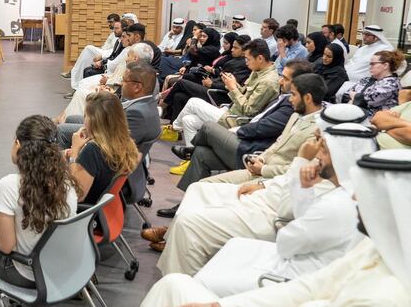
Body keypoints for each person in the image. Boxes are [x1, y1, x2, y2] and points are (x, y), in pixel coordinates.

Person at [138, 148, 411, 307]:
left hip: (281, 246)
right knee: (174, 285)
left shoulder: (389, 296)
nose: (354, 197)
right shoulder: (376, 247)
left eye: (363, 193)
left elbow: (288, 237)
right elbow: (311, 286)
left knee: (174, 286)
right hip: (286, 263)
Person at [151, 102, 367, 275]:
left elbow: (287, 210)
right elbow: (284, 177)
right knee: (199, 190)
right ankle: (172, 239)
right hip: (266, 191)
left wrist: (299, 160)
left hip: (269, 214)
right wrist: (262, 184)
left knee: (189, 224)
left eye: (321, 139)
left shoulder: (331, 170)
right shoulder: (324, 156)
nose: (316, 143)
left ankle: (184, 278)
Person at [193, 130, 361, 297]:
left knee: (199, 280)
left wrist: (301, 164)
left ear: (340, 156)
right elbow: (302, 223)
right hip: (294, 256)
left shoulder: (335, 204)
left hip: (291, 278)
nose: (317, 154)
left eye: (323, 149)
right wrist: (299, 188)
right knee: (232, 243)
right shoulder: (343, 194)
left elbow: (286, 237)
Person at [159, 71, 324, 217]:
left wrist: (262, 166)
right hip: (258, 158)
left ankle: (183, 219)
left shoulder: (316, 131)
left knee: (202, 182)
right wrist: (262, 159)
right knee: (202, 153)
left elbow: (294, 168)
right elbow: (278, 143)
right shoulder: (296, 115)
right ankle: (181, 211)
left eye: (293, 93)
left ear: (307, 98)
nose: (281, 81)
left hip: (268, 174)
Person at [0, 115, 80, 307]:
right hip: (60, 268)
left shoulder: (10, 185)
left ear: (18, 145)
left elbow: (6, 247)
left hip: (27, 274)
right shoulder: (67, 181)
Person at [167, 39, 280, 175]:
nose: (246, 62)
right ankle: (190, 160)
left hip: (238, 120)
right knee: (189, 120)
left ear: (260, 58)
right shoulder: (258, 72)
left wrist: (233, 89)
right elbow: (244, 94)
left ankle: (173, 129)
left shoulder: (268, 81)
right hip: (231, 111)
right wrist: (233, 85)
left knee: (193, 102)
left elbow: (249, 110)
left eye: (248, 59)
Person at [57, 58, 161, 153]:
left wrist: (87, 129)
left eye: (124, 80)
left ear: (137, 87)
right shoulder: (146, 103)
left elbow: (113, 141)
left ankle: (61, 166)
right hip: (109, 128)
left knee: (61, 130)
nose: (121, 83)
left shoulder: (138, 113)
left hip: (109, 148)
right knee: (72, 118)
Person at [66, 91, 140, 204]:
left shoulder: (93, 150)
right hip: (104, 203)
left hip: (83, 209)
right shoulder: (127, 142)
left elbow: (77, 195)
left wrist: (75, 151)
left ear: (94, 121)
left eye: (85, 116)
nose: (83, 120)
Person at [54, 42, 152, 124]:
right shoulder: (144, 73)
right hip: (115, 95)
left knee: (82, 94)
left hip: (115, 107)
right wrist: (108, 87)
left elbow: (125, 96)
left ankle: (67, 122)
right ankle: (65, 119)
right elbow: (122, 84)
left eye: (128, 56)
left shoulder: (138, 75)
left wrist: (108, 90)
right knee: (82, 91)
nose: (126, 58)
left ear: (135, 58)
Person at [162, 33, 251, 122]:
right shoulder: (235, 59)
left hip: (218, 94)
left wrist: (212, 84)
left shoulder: (244, 64)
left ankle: (162, 106)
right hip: (213, 86)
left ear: (244, 50)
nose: (232, 50)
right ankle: (173, 127)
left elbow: (232, 86)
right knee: (179, 96)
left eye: (235, 48)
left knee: (181, 83)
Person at [67, 20, 125, 95]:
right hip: (108, 62)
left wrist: (102, 63)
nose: (114, 30)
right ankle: (81, 92)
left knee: (89, 71)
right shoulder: (118, 41)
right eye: (114, 28)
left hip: (112, 71)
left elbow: (116, 60)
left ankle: (88, 95)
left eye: (117, 28)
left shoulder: (124, 45)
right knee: (86, 69)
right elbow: (112, 55)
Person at [343, 49, 403, 116]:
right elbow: (345, 95)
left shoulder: (391, 84)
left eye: (372, 64)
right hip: (355, 115)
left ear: (385, 65)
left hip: (373, 121)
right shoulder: (366, 79)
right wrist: (356, 98)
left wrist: (355, 98)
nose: (370, 67)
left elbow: (364, 100)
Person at [63, 14, 121, 83]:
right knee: (87, 54)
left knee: (88, 48)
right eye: (108, 22)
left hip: (107, 54)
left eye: (111, 22)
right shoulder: (113, 33)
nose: (109, 24)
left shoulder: (119, 35)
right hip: (104, 51)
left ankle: (74, 72)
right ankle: (75, 73)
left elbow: (114, 50)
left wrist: (102, 56)